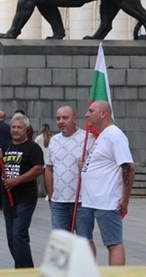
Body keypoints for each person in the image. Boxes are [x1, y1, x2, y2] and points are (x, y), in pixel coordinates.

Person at [79, 101, 135, 266]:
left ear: (103, 113)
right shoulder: (102, 135)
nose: (86, 114)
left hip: (107, 201)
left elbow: (128, 167)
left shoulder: (114, 135)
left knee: (113, 243)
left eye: (91, 111)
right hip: (90, 199)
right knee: (84, 240)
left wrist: (125, 199)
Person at [0, 113, 43, 268]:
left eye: (19, 127)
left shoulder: (33, 147)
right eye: (13, 127)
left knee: (19, 233)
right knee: (11, 237)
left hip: (25, 198)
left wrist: (16, 181)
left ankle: (26, 270)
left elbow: (38, 169)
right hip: (8, 198)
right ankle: (20, 267)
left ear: (26, 130)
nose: (15, 130)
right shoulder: (5, 146)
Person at [44, 106, 95, 252]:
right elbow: (49, 168)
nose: (60, 121)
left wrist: (87, 166)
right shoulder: (54, 140)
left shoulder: (88, 138)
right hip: (59, 202)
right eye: (58, 118)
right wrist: (51, 194)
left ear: (74, 119)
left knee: (85, 239)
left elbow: (98, 166)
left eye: (65, 118)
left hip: (82, 201)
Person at [34, 124, 51, 198]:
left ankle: (42, 192)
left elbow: (35, 147)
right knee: (48, 178)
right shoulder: (52, 137)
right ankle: (48, 192)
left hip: (41, 160)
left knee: (42, 179)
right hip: (49, 160)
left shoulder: (38, 138)